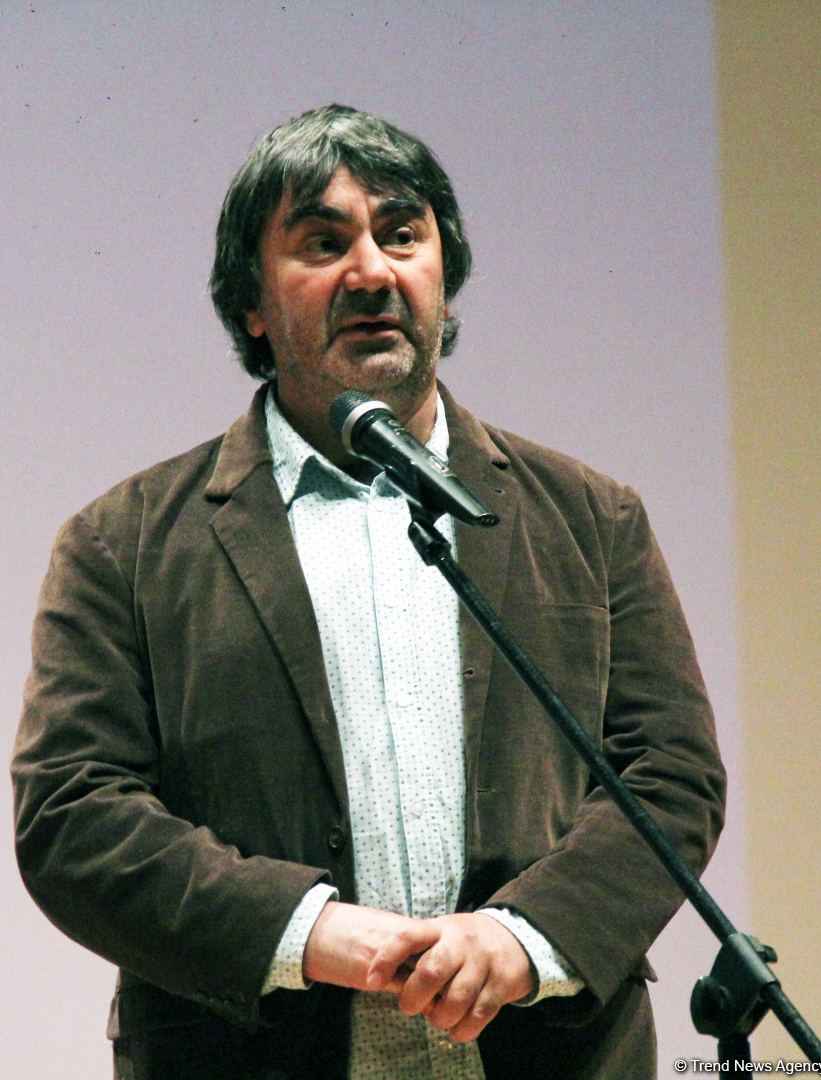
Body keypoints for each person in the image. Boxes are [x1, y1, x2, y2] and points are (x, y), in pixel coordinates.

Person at [12, 104, 726, 1080]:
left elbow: (670, 774)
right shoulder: (122, 545)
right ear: (252, 303)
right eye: (323, 242)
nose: (372, 271)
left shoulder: (591, 518)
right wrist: (305, 930)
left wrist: (528, 936)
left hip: (551, 1054)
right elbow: (73, 813)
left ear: (443, 277)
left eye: (401, 234)